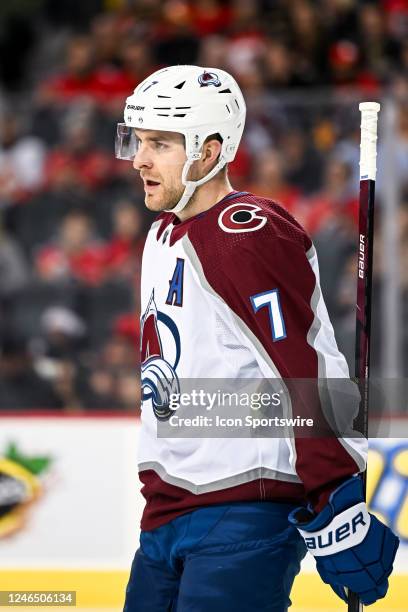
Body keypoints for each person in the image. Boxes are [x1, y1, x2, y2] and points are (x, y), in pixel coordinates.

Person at [115, 65, 398, 611]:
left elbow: (303, 363)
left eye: (161, 144)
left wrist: (335, 492)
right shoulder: (162, 233)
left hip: (244, 510)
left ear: (209, 150)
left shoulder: (244, 234)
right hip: (167, 513)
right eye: (138, 140)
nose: (140, 159)